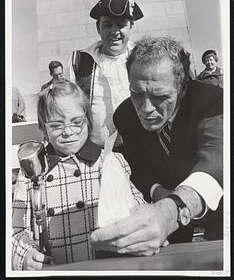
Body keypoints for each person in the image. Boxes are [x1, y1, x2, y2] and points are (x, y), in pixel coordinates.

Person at [90, 36, 223, 256]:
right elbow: (137, 165)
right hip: (161, 223)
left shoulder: (214, 101)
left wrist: (173, 209)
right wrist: (157, 191)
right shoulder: (124, 115)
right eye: (137, 94)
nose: (146, 109)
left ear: (182, 87)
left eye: (160, 96)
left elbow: (218, 161)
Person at [12, 80, 146, 270]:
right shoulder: (32, 173)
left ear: (88, 122)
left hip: (107, 267)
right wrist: (25, 255)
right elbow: (15, 231)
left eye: (77, 123)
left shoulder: (108, 161)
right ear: (43, 128)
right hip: (56, 269)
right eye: (57, 125)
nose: (68, 132)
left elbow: (138, 209)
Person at [68, 0, 143, 151]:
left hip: (143, 147)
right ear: (98, 28)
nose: (114, 32)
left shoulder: (144, 56)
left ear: (131, 26)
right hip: (98, 152)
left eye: (121, 25)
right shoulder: (80, 61)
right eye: (108, 25)